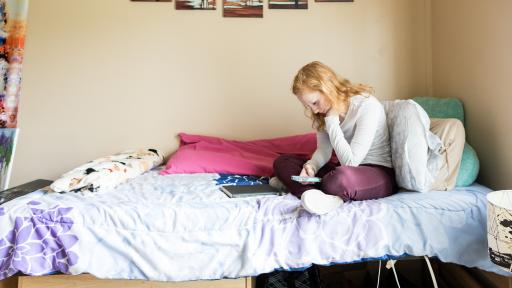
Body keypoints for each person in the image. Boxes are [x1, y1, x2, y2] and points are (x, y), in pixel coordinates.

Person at [272, 61, 397, 215]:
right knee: (283, 162)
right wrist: (311, 167)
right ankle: (312, 193)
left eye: (315, 103)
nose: (315, 111)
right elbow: (324, 150)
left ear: (327, 88)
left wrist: (332, 121)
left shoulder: (366, 105)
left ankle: (300, 187)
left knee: (340, 179)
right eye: (309, 107)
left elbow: (350, 163)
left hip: (376, 172)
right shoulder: (322, 113)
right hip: (344, 169)